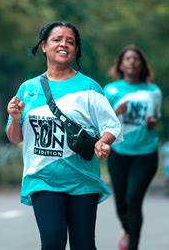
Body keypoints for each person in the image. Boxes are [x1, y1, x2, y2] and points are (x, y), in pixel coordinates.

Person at [6, 21, 121, 250]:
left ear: (76, 49)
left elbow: (111, 126)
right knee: (52, 243)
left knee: (83, 245)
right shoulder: (28, 89)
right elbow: (14, 137)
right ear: (44, 46)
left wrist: (103, 142)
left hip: (82, 179)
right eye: (57, 39)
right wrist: (16, 117)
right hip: (43, 179)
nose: (64, 44)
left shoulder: (89, 88)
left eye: (70, 41)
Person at [103, 45, 162, 250]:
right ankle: (128, 230)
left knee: (133, 198)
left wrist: (154, 122)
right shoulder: (110, 90)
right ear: (120, 64)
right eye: (127, 58)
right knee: (121, 203)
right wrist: (115, 111)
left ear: (142, 64)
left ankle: (132, 245)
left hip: (146, 152)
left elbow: (156, 117)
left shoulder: (153, 91)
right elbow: (100, 120)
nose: (131, 62)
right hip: (119, 151)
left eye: (136, 59)